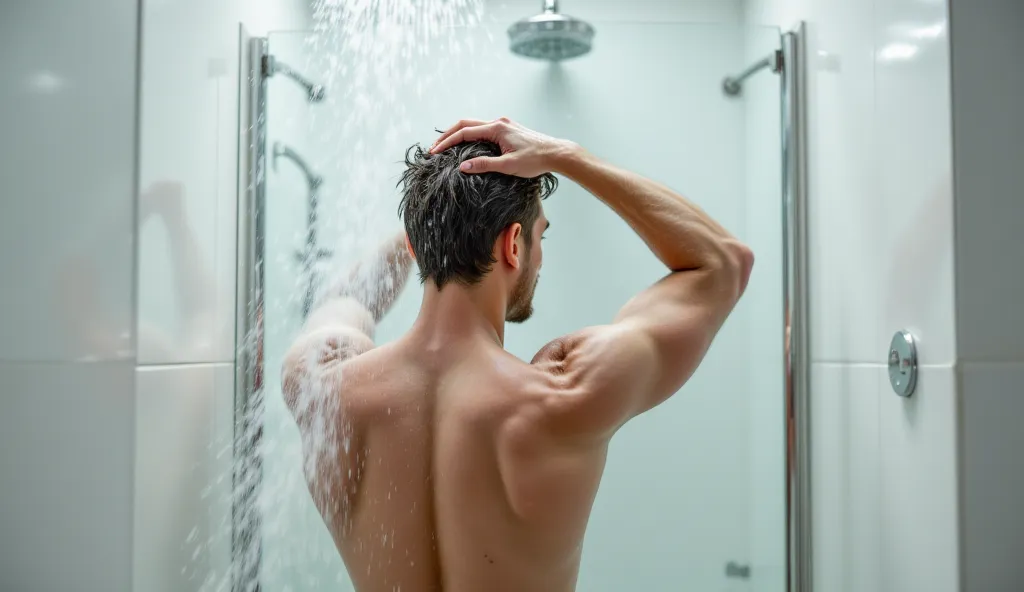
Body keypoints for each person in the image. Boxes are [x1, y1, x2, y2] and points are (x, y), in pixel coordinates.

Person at [281, 118, 754, 592]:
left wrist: (426, 232)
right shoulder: (566, 394)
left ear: (413, 244)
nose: (540, 256)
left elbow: (347, 301)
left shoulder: (324, 388)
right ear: (513, 245)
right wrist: (566, 155)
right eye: (539, 237)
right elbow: (724, 263)